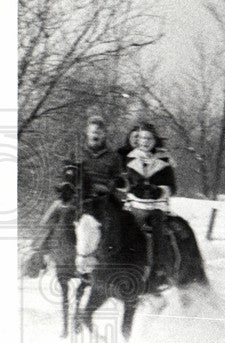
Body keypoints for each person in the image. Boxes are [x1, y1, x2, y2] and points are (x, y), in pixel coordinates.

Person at [29, 115, 124, 258]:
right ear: (87, 132)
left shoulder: (113, 156)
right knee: (57, 209)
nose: (95, 135)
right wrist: (66, 186)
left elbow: (117, 179)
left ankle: (119, 256)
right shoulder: (77, 153)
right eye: (93, 132)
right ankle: (38, 252)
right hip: (80, 196)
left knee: (120, 219)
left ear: (104, 134)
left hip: (103, 197)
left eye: (99, 132)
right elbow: (67, 172)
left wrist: (108, 186)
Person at [123, 122, 177, 287]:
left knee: (157, 230)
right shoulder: (129, 158)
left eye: (148, 138)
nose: (144, 142)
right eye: (141, 138)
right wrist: (129, 187)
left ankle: (160, 269)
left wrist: (160, 190)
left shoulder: (164, 160)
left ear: (154, 140)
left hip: (156, 206)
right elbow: (123, 182)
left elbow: (173, 187)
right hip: (134, 204)